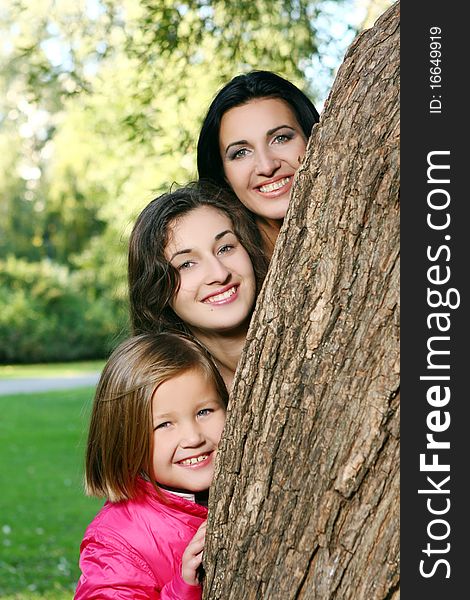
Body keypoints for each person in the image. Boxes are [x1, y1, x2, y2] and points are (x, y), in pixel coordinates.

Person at [74, 331, 228, 599]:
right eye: (164, 424)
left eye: (204, 412)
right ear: (125, 440)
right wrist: (183, 589)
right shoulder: (116, 540)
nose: (193, 437)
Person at [128, 181, 268, 390]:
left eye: (226, 248)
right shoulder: (167, 398)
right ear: (156, 290)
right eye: (186, 264)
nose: (219, 274)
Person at [197, 70, 320, 256]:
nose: (267, 167)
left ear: (313, 138)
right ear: (224, 175)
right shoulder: (227, 274)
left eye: (280, 138)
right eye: (241, 153)